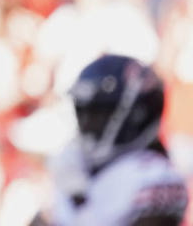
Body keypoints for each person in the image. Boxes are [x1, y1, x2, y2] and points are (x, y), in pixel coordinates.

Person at [48, 54, 189, 226]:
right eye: (83, 113)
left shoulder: (154, 175)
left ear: (137, 115)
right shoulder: (78, 166)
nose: (87, 124)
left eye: (98, 114)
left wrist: (80, 202)